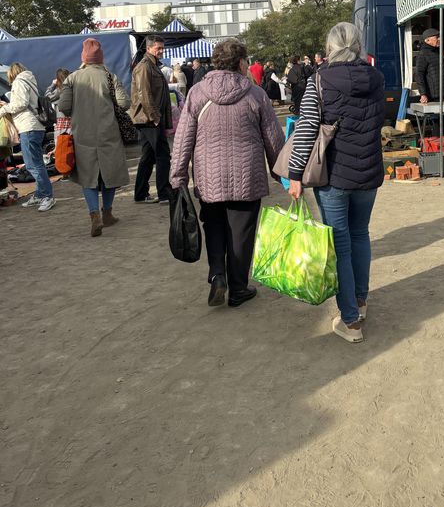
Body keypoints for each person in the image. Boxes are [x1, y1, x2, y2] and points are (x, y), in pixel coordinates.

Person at [288, 22, 385, 344]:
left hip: (334, 175)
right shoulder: (377, 78)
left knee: (341, 246)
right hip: (368, 170)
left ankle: (351, 321)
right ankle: (360, 301)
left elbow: (305, 130)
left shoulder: (319, 80)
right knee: (360, 235)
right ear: (358, 45)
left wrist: (294, 172)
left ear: (330, 48)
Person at [170, 39, 284, 307]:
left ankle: (217, 275)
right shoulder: (256, 95)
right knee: (241, 232)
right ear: (241, 63)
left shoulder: (197, 93)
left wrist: (178, 176)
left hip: (209, 178)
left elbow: (183, 137)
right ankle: (238, 287)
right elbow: (273, 139)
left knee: (215, 226)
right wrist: (282, 173)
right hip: (248, 177)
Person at [58, 39, 131, 234]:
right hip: (109, 133)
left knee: (87, 177)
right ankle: (107, 214)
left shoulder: (72, 78)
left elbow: (63, 107)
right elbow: (124, 104)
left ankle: (94, 216)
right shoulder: (110, 76)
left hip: (83, 134)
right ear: (101, 58)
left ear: (83, 57)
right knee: (110, 174)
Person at [0, 63, 55, 211]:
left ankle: (47, 196)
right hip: (34, 126)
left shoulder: (19, 82)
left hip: (28, 126)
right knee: (37, 163)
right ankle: (40, 194)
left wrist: (4, 108)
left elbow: (21, 103)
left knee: (32, 165)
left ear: (12, 73)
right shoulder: (29, 80)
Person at [129, 35, 173, 203]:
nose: (161, 51)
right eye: (158, 48)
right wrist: (154, 117)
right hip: (148, 118)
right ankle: (164, 193)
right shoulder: (144, 67)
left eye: (162, 48)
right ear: (148, 48)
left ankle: (140, 194)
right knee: (163, 155)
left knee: (148, 156)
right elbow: (144, 94)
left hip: (149, 117)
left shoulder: (152, 65)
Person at [414, 28, 444, 105]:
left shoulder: (438, 52)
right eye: (436, 37)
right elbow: (419, 75)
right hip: (434, 96)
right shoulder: (423, 54)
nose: (439, 39)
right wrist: (423, 94)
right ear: (427, 40)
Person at [45, 68, 71, 138]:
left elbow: (47, 97)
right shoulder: (73, 88)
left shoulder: (59, 90)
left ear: (58, 79)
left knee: (61, 144)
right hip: (73, 121)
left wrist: (53, 85)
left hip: (62, 121)